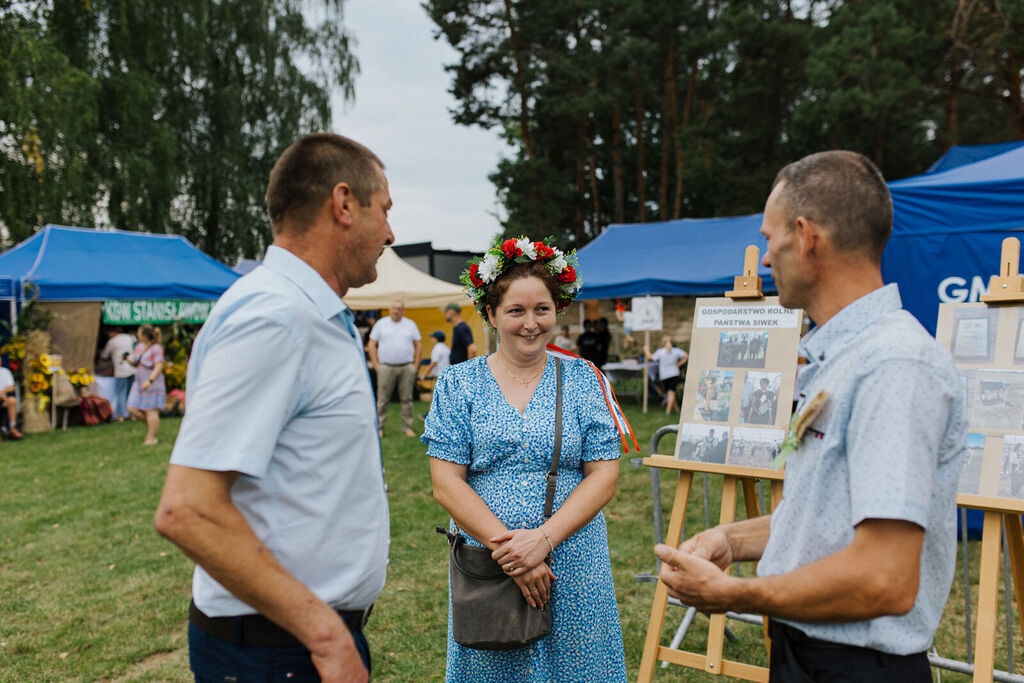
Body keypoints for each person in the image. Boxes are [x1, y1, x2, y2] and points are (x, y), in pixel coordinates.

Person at [655, 150, 966, 681]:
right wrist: (732, 541)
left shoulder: (892, 364)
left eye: (769, 239)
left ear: (806, 236)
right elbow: (830, 522)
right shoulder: (844, 356)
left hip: (856, 667)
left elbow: (884, 578)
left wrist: (736, 594)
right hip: (811, 653)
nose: (765, 258)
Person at [154, 132, 394, 683]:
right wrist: (328, 637)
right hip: (278, 651)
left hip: (289, 643)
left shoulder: (304, 312)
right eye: (384, 210)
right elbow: (187, 509)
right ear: (343, 204)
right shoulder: (275, 317)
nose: (390, 232)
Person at [423, 237, 628, 682]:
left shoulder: (583, 378)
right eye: (516, 310)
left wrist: (544, 541)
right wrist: (514, 553)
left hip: (573, 559)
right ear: (490, 315)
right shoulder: (458, 384)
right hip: (489, 564)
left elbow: (604, 475)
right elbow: (446, 484)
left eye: (542, 309)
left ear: (557, 311)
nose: (531, 323)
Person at [368, 299, 421, 438]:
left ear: (403, 311)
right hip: (385, 366)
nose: (396, 311)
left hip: (406, 366)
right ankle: (379, 427)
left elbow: (418, 344)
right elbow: (372, 344)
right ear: (390, 309)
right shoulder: (381, 324)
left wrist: (415, 365)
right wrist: (376, 364)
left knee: (407, 399)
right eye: (394, 308)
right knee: (382, 400)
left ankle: (407, 427)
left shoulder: (410, 324)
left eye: (399, 309)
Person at [126, 324, 166, 446]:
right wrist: (127, 359)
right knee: (132, 407)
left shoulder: (156, 348)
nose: (137, 335)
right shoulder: (138, 347)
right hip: (138, 380)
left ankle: (151, 437)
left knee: (150, 410)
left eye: (139, 333)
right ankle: (152, 427)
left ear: (144, 335)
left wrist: (150, 380)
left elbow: (159, 365)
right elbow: (137, 363)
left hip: (152, 381)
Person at [99, 326, 135, 421]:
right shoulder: (130, 338)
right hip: (133, 369)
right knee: (131, 393)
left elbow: (104, 355)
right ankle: (133, 415)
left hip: (121, 371)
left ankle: (121, 416)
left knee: (120, 393)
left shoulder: (112, 342)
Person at [645, 336, 688, 414]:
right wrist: (680, 363)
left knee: (670, 393)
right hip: (674, 374)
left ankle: (667, 412)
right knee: (671, 393)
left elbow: (650, 357)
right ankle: (677, 409)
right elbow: (686, 356)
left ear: (663, 343)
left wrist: (646, 350)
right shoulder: (676, 351)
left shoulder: (660, 351)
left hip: (664, 375)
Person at [0, 362, 23, 439]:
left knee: (12, 401)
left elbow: (12, 388)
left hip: (3, 400)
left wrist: (1, 392)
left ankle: (12, 427)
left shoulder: (5, 372)